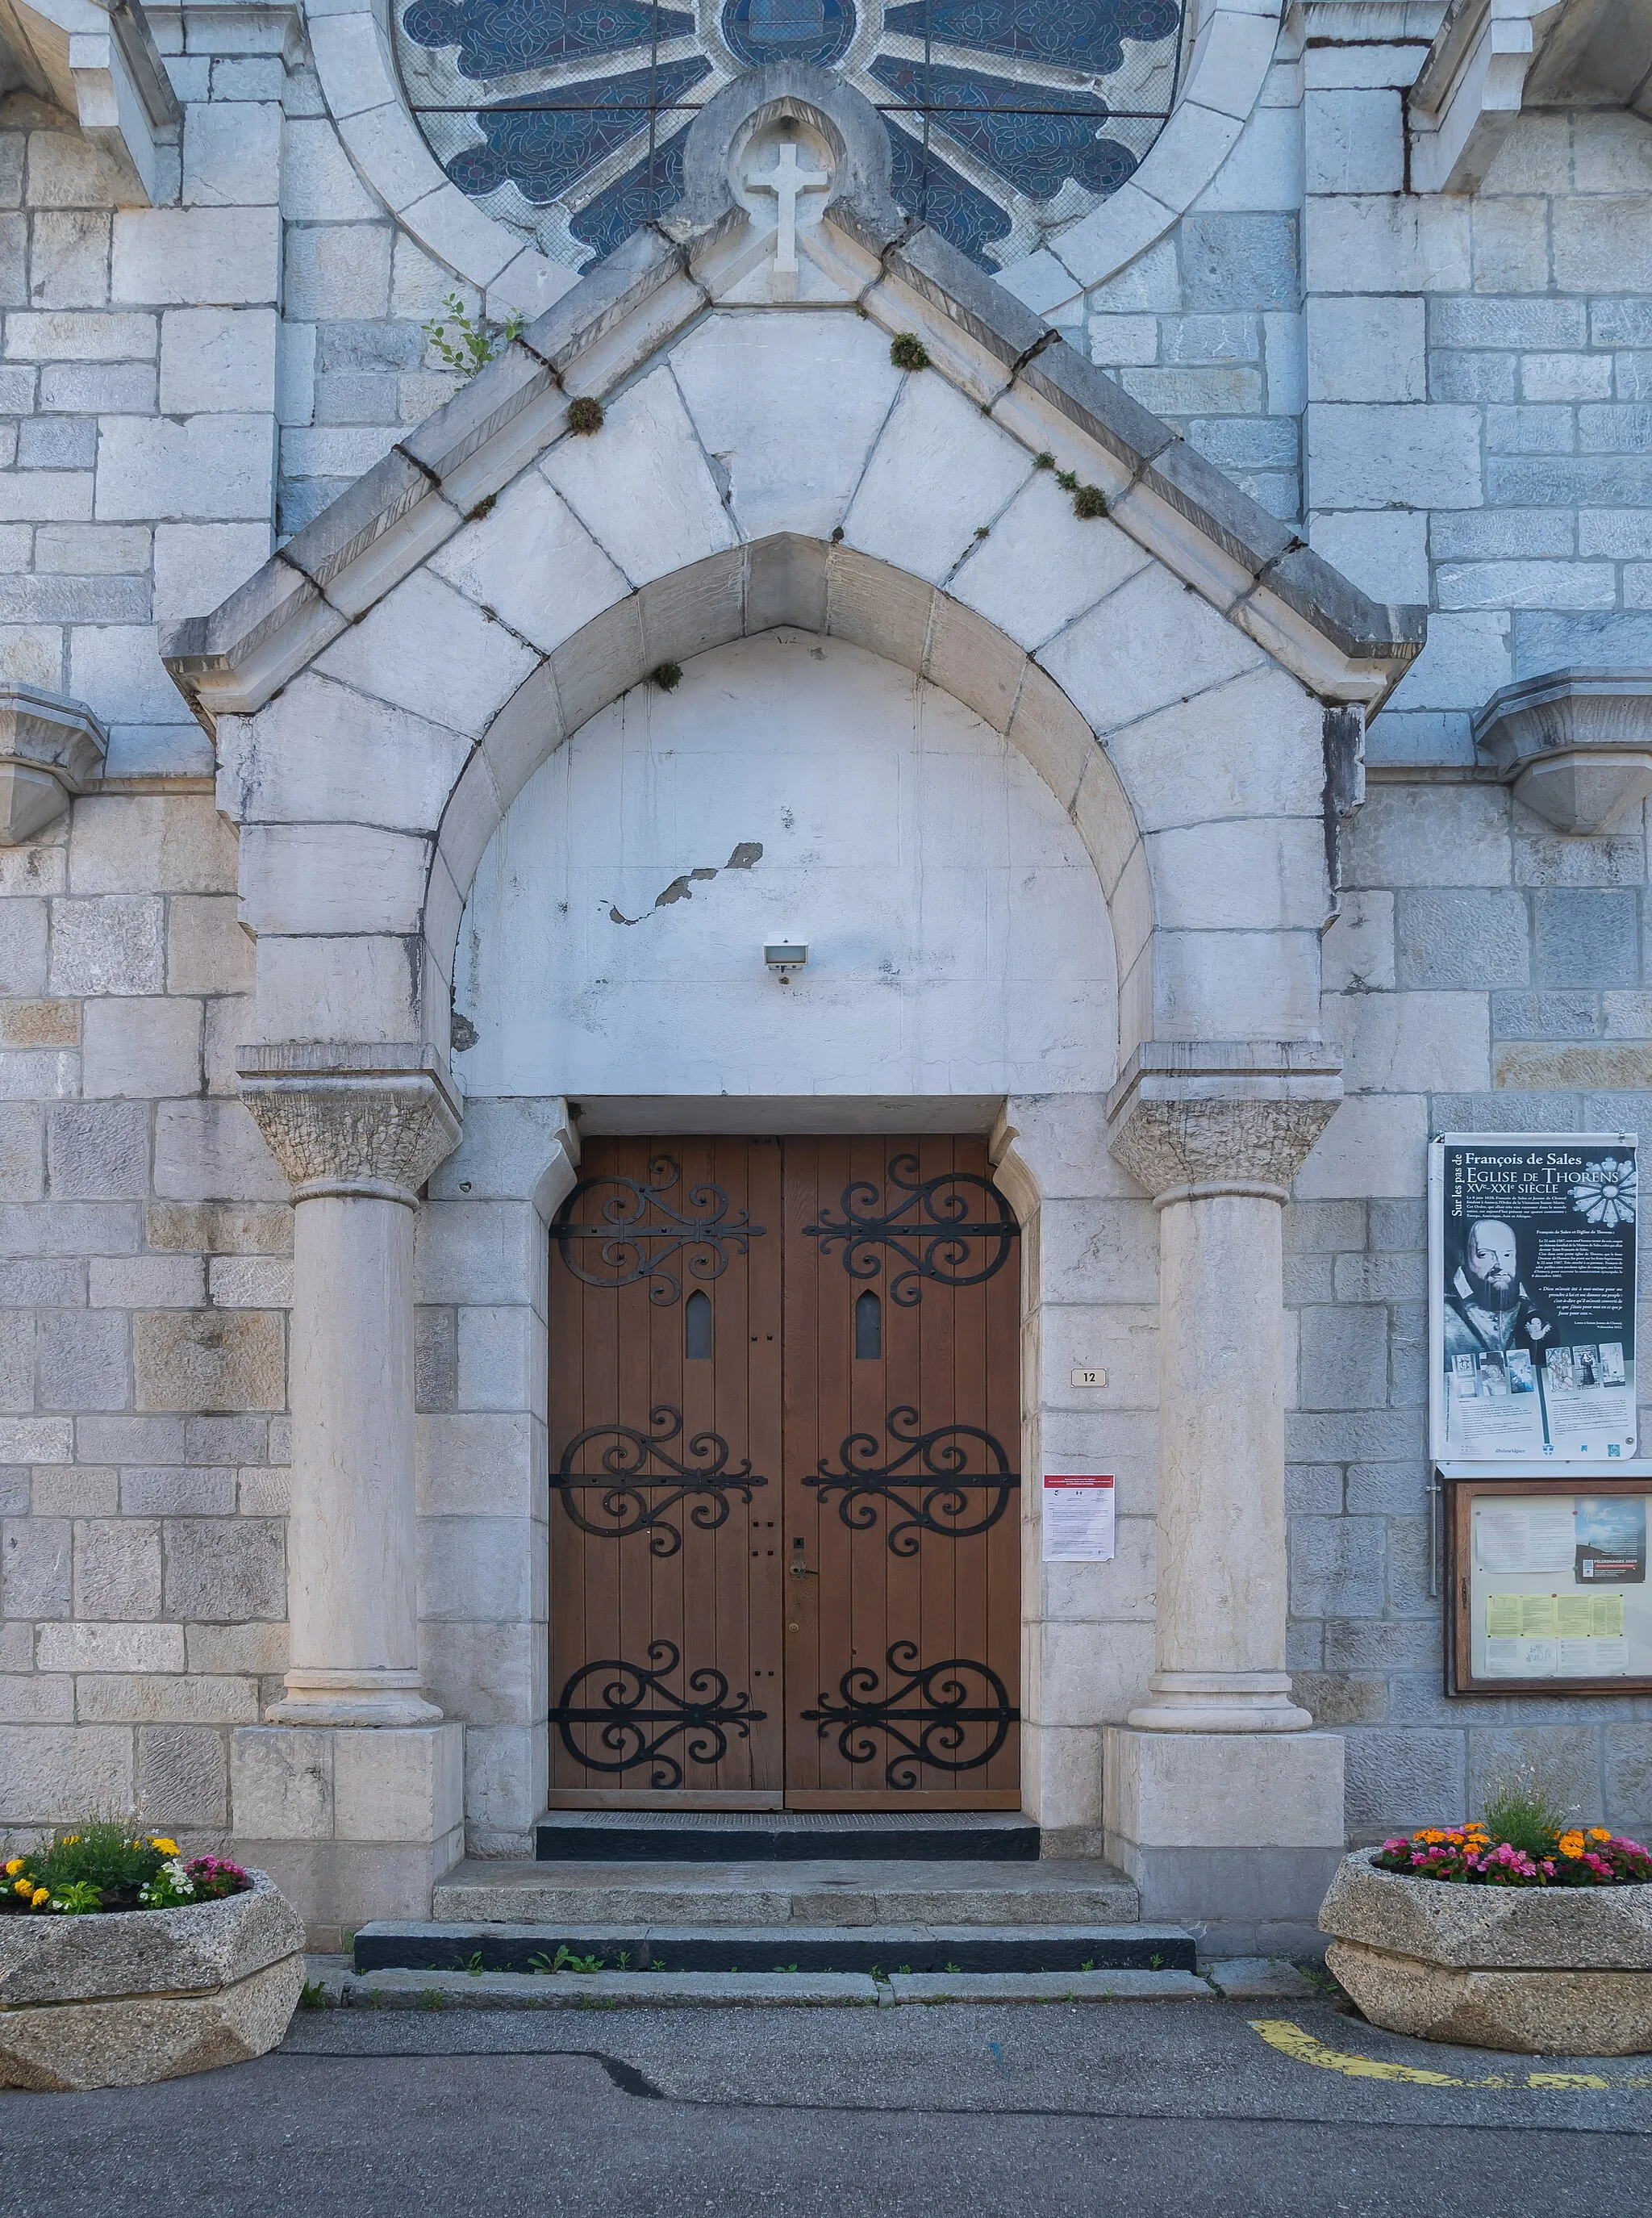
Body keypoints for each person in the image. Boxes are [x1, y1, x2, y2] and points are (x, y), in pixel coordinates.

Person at [1442, 1218, 1554, 1368]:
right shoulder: (1442, 1311)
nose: (1499, 1265)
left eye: (1507, 1255)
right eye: (1484, 1255)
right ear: (1463, 1257)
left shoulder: (1537, 1312)